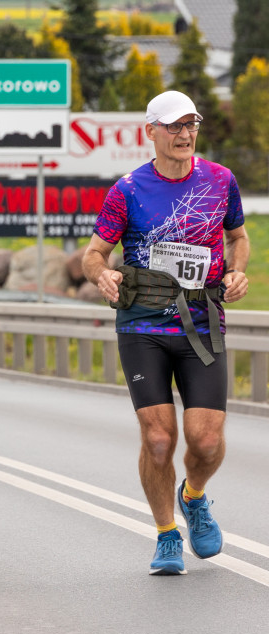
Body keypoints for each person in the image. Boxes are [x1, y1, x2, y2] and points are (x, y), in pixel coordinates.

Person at [83, 90, 250, 576]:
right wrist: (103, 275)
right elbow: (94, 253)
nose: (184, 134)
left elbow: (237, 237)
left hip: (201, 324)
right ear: (150, 132)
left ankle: (193, 497)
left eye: (191, 125)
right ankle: (165, 535)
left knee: (205, 441)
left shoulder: (220, 181)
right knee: (158, 440)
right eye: (174, 126)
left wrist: (238, 272)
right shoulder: (129, 189)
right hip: (143, 325)